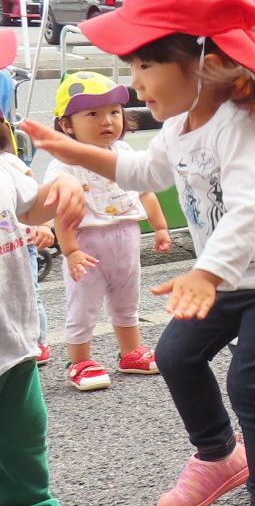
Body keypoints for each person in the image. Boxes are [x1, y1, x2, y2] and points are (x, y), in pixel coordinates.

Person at [22, 0, 255, 506]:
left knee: (252, 383)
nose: (133, 83)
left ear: (205, 63)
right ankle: (219, 455)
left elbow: (251, 209)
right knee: (178, 355)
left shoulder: (241, 126)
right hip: (232, 279)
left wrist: (207, 275)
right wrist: (71, 151)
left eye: (143, 64)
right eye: (131, 66)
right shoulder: (177, 124)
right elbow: (143, 175)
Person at [0, 157, 108, 506]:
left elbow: (30, 206)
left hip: (13, 336)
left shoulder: (3, 166)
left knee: (23, 432)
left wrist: (63, 185)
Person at [43, 72, 170, 392]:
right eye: (92, 114)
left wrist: (160, 227)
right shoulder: (65, 161)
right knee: (83, 304)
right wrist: (70, 250)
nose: (107, 121)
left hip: (125, 236)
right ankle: (80, 361)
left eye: (114, 112)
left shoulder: (125, 152)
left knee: (127, 299)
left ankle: (130, 352)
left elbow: (145, 192)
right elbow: (63, 211)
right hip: (87, 243)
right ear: (66, 124)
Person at [0, 141, 53, 365]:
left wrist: (44, 225)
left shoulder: (9, 162)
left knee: (32, 294)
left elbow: (34, 197)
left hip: (23, 243)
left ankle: (39, 342)